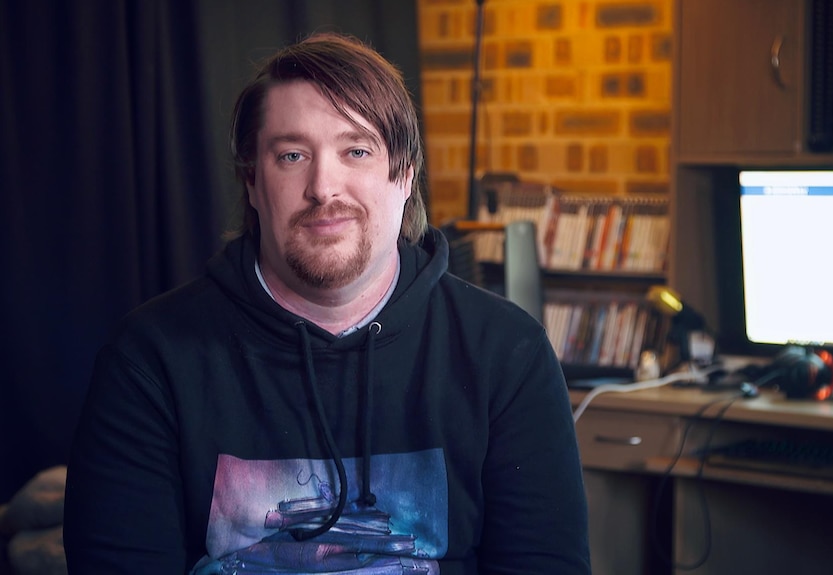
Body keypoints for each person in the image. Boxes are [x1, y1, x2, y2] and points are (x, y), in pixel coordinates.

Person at [63, 32, 591, 574]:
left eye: (355, 151)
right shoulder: (149, 359)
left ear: (405, 174)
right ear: (252, 182)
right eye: (292, 155)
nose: (323, 186)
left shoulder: (507, 354)